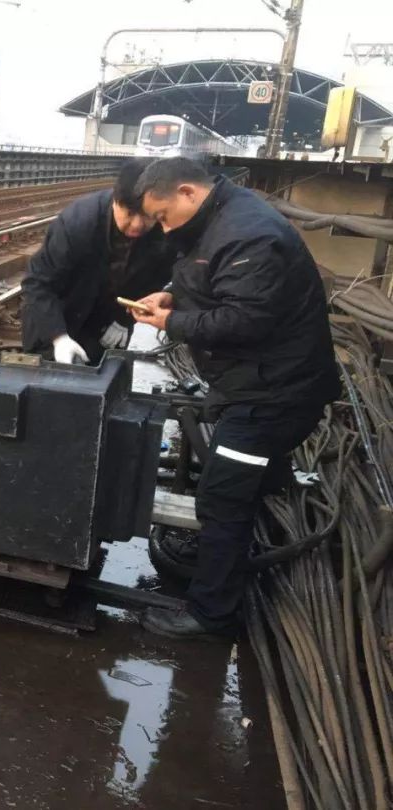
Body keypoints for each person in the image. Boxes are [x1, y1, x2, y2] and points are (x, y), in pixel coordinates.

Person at [131, 158, 340, 640]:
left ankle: (211, 614)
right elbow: (209, 282)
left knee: (221, 497)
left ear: (186, 192)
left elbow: (243, 322)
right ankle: (265, 493)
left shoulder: (249, 235)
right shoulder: (220, 219)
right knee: (240, 479)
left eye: (163, 215)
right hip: (258, 383)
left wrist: (171, 323)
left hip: (272, 394)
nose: (162, 228)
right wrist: (171, 297)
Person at [21, 158, 174, 364]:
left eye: (147, 216)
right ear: (115, 201)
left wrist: (124, 319)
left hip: (107, 323)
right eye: (129, 214)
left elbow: (156, 280)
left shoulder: (162, 232)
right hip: (57, 318)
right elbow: (37, 282)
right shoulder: (78, 222)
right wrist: (58, 337)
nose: (138, 225)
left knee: (101, 379)